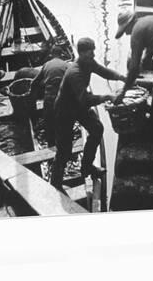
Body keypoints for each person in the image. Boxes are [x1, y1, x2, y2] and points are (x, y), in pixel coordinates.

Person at [50, 37, 125, 190]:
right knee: (64, 149)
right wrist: (108, 97)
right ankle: (55, 182)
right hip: (64, 110)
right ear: (82, 53)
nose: (93, 55)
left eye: (94, 51)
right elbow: (85, 100)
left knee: (97, 129)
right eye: (90, 52)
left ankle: (87, 167)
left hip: (77, 106)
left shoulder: (88, 62)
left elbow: (103, 71)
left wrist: (122, 77)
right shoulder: (75, 72)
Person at [29, 45, 69, 146]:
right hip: (63, 97)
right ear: (61, 54)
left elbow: (34, 82)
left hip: (49, 97)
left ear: (52, 54)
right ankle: (65, 143)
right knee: (64, 120)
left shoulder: (46, 65)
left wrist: (31, 97)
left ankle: (51, 143)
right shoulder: (67, 65)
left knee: (49, 120)